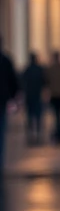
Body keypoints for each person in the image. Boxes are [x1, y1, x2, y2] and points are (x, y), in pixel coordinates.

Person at [0, 40, 18, 168]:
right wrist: (13, 96)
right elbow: (13, 80)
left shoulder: (6, 60)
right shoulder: (5, 60)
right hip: (2, 100)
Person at [22, 53, 45, 144]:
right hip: (37, 96)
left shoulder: (27, 70)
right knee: (38, 117)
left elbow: (22, 82)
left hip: (29, 97)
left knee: (30, 117)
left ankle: (30, 135)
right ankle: (38, 135)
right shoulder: (40, 70)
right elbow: (44, 82)